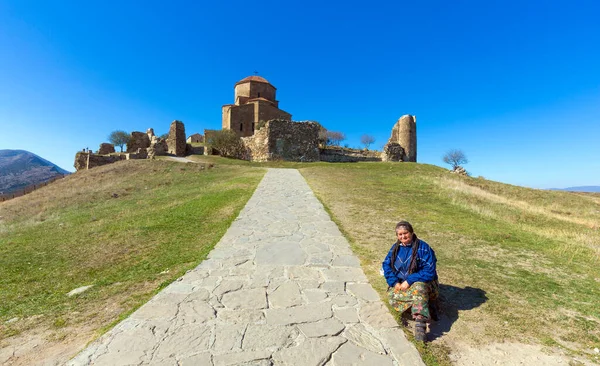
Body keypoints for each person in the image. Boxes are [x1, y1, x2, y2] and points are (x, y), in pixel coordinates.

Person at [382, 220, 439, 342]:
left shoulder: (423, 248)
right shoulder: (395, 248)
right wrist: (394, 282)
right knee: (392, 295)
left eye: (405, 233)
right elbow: (386, 265)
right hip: (402, 284)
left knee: (419, 289)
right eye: (400, 234)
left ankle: (420, 325)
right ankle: (425, 304)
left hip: (424, 283)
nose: (403, 236)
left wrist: (409, 280)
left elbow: (430, 271)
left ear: (412, 233)